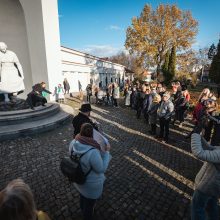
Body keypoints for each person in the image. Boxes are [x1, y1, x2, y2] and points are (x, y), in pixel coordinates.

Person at [69, 123, 111, 220]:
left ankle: (83, 210)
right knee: (89, 204)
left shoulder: (73, 143)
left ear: (80, 131)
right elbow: (101, 169)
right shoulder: (93, 151)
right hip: (90, 185)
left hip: (78, 179)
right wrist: (106, 153)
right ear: (92, 135)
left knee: (82, 197)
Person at [191, 133, 220, 220]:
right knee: (211, 206)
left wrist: (194, 134)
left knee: (197, 208)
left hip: (207, 186)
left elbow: (199, 153)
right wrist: (200, 137)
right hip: (215, 187)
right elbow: (212, 149)